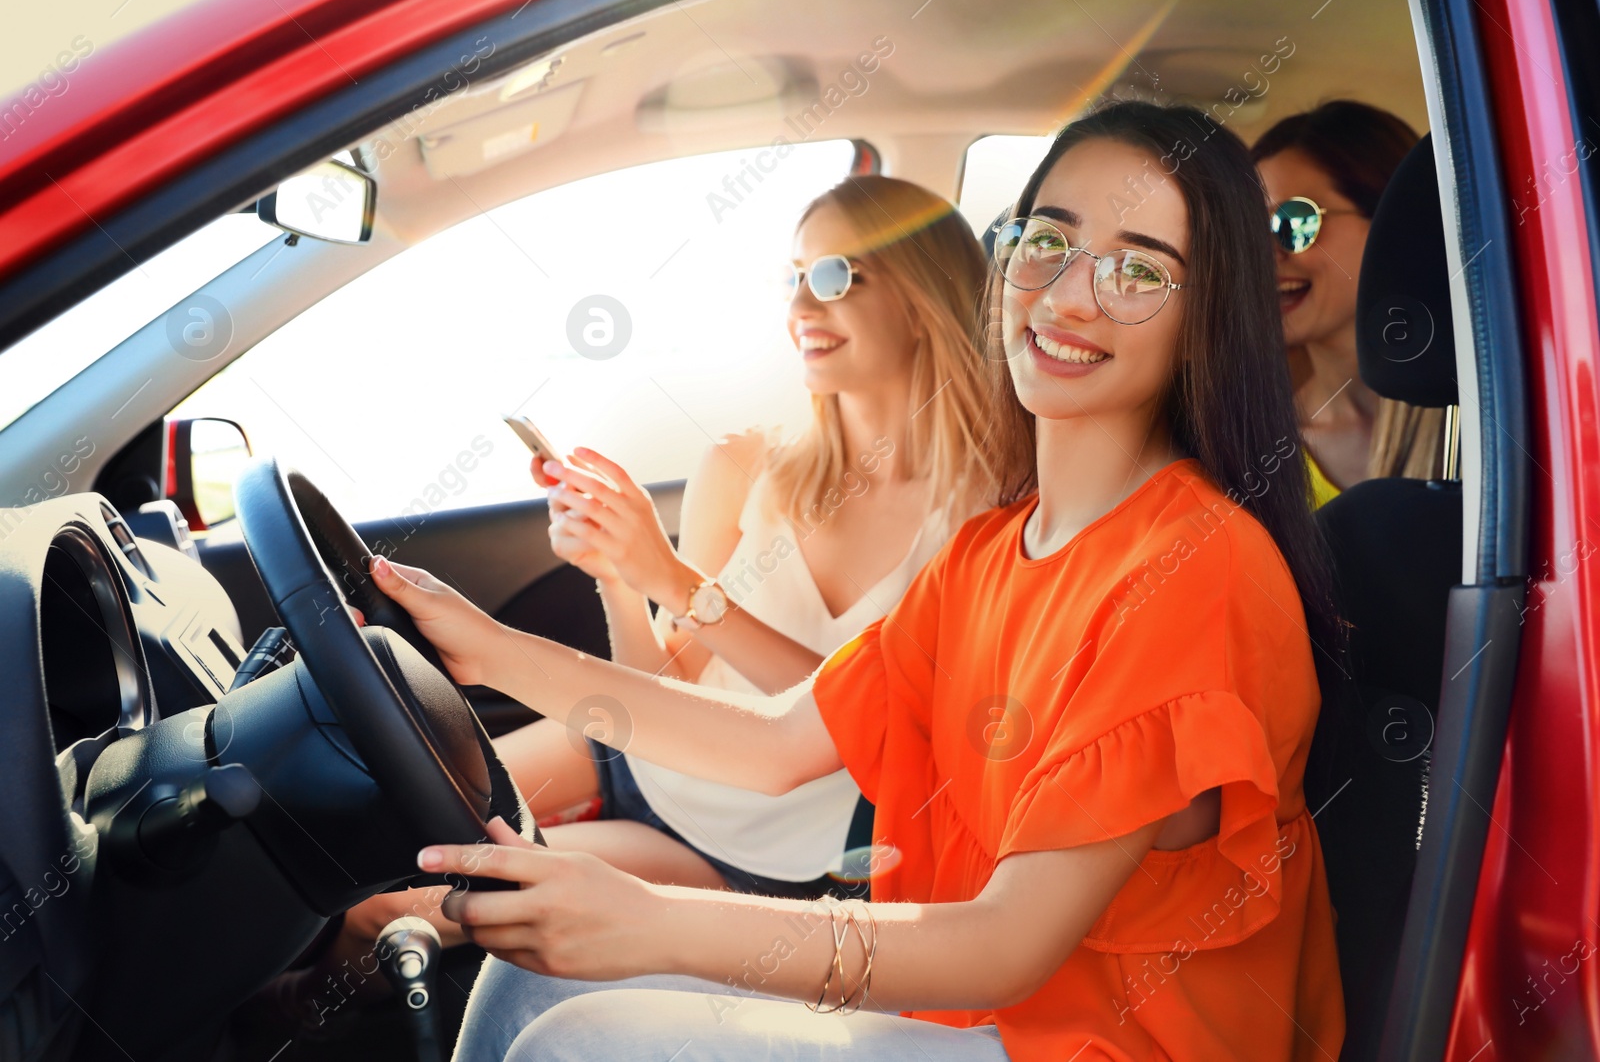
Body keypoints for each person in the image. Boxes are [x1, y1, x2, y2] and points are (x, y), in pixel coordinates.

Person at [367, 100, 1346, 1061]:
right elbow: (774, 741)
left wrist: (654, 922)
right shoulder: (991, 551)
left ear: (1205, 314)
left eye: (1137, 269)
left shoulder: (1193, 568)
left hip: (1093, 1040)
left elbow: (1004, 946)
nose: (1067, 295)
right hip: (976, 1017)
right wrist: (484, 646)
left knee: (579, 1040)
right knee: (530, 974)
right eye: (1047, 240)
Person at [337, 176, 998, 969]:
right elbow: (660, 678)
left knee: (401, 904)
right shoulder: (743, 461)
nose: (800, 308)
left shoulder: (984, 524)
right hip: (631, 751)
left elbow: (866, 731)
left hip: (745, 852)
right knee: (369, 837)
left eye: (834, 277)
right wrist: (618, 572)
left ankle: (300, 1013)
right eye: (792, 278)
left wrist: (674, 578)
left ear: (926, 296)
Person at [1252, 100, 1442, 505]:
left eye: (1294, 222)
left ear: (1390, 223)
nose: (1265, 254)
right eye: (1248, 231)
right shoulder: (1250, 448)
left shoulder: (1489, 419)